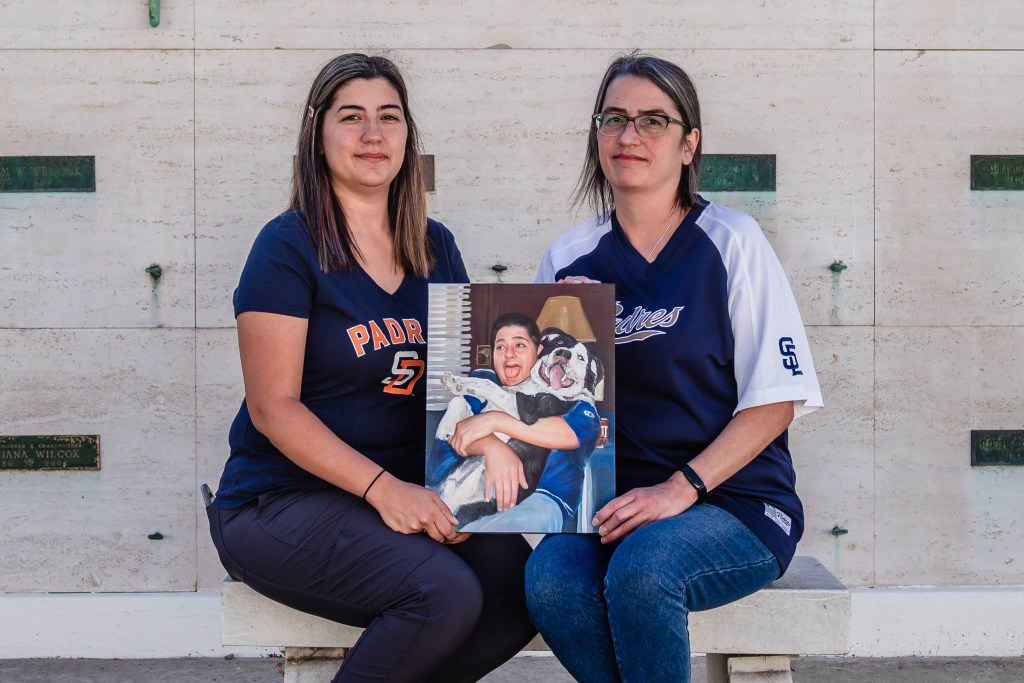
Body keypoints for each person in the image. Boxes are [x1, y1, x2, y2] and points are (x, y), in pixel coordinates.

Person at [205, 54, 535, 683]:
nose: (372, 134)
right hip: (279, 502)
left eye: (389, 117)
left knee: (525, 590)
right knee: (443, 594)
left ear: (408, 136)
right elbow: (275, 409)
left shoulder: (435, 246)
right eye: (350, 117)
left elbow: (467, 386)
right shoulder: (287, 247)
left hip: (411, 492)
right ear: (318, 135)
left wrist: (558, 326)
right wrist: (387, 491)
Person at [525, 51, 824, 682]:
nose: (629, 136)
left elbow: (776, 399)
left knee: (643, 569)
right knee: (548, 577)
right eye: (614, 119)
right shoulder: (568, 258)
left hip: (732, 503)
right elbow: (551, 420)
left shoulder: (732, 241)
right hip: (610, 509)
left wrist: (677, 489)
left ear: (689, 144)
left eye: (653, 121)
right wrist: (559, 341)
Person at [426, 313, 601, 532]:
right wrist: (493, 447)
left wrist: (494, 421)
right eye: (500, 347)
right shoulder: (482, 381)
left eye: (519, 345)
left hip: (541, 500)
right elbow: (455, 432)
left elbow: (568, 433)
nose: (509, 354)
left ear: (538, 353)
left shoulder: (574, 401)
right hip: (458, 489)